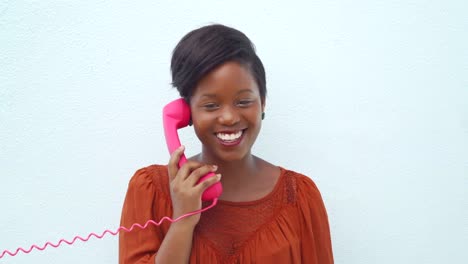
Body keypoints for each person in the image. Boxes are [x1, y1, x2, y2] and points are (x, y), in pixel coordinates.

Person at [119, 24, 334, 264]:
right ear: (186, 113)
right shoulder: (150, 191)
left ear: (262, 103)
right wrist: (183, 219)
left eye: (243, 101)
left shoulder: (300, 197)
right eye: (211, 105)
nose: (229, 117)